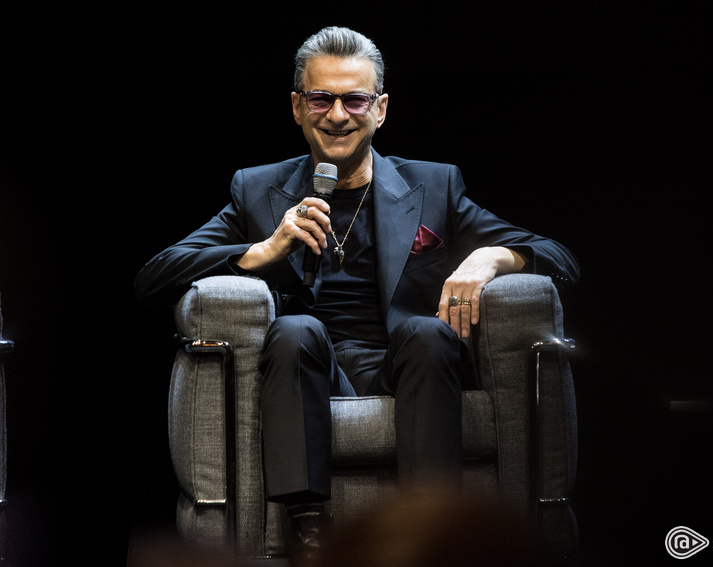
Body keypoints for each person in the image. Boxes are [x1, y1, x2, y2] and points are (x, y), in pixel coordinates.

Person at [136, 26, 578, 565]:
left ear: (381, 108)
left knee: (427, 332)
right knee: (297, 328)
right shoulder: (257, 189)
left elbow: (559, 258)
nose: (338, 115)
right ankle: (309, 530)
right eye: (321, 98)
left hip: (408, 367)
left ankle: (428, 524)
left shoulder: (435, 186)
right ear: (298, 107)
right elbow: (155, 275)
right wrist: (262, 249)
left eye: (355, 99)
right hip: (305, 367)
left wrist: (490, 257)